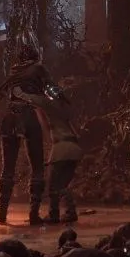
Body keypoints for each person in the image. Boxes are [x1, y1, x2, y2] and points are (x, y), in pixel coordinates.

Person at [0, 42, 60, 225]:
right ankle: (33, 214)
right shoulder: (38, 69)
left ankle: (2, 213)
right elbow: (52, 90)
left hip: (10, 117)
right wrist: (58, 99)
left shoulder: (14, 72)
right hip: (29, 115)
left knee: (8, 167)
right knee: (37, 165)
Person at [39, 83, 81, 223]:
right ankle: (70, 211)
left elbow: (44, 125)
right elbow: (77, 132)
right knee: (63, 184)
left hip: (61, 149)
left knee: (53, 186)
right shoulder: (65, 110)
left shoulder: (51, 109)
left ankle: (54, 214)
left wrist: (37, 108)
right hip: (73, 149)